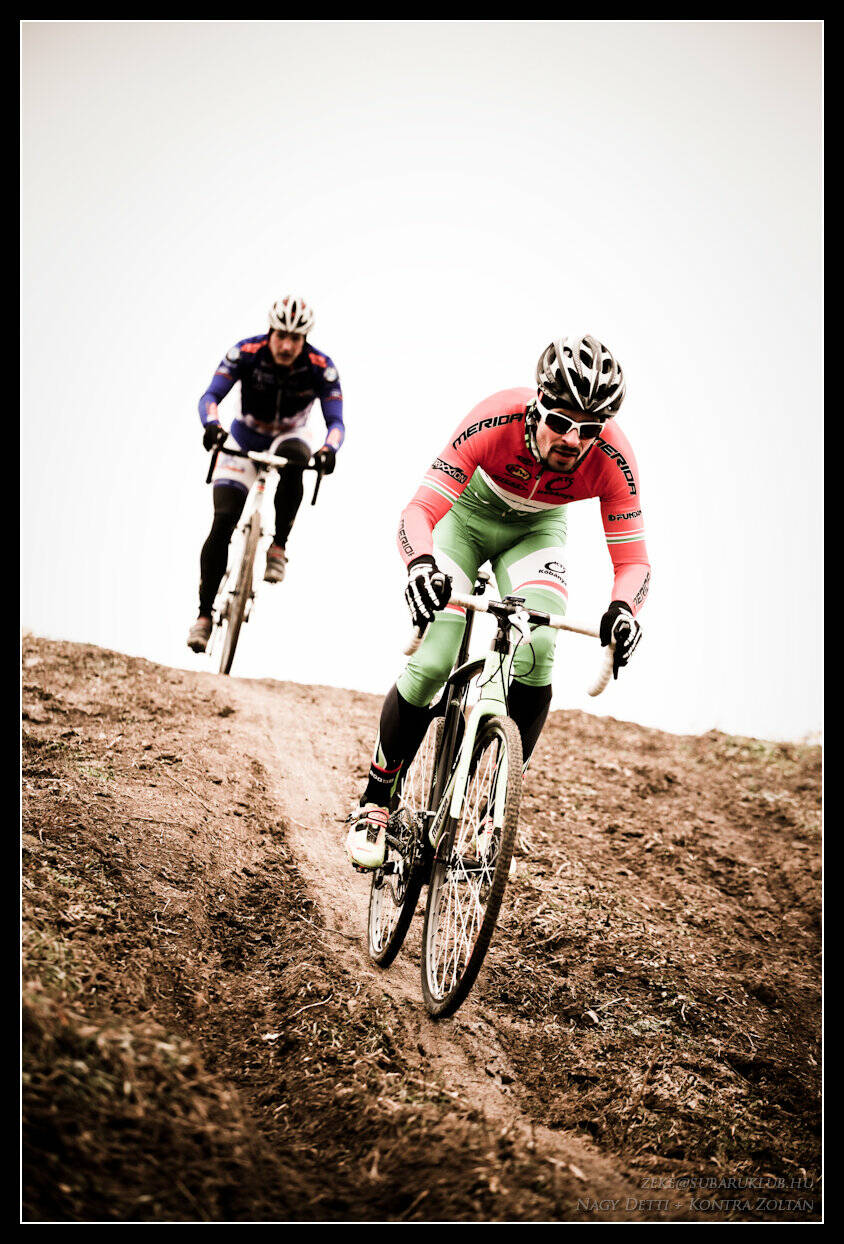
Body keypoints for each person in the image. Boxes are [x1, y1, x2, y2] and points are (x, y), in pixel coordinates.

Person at [346, 333, 649, 869]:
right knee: (435, 660)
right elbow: (418, 512)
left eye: (589, 429)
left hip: (536, 533)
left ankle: (496, 809)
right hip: (464, 521)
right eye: (560, 421)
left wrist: (624, 610)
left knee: (539, 651)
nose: (573, 439)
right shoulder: (494, 421)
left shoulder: (613, 458)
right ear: (537, 404)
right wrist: (421, 565)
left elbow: (634, 564)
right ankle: (376, 801)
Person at [187, 296, 344, 653]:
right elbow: (210, 396)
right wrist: (212, 425)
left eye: (296, 338)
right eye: (281, 336)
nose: (287, 346)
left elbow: (336, 422)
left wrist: (329, 449)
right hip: (245, 435)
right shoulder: (245, 352)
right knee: (222, 522)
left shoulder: (321, 367)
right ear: (270, 331)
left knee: (298, 457)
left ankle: (278, 546)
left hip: (289, 436)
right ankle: (203, 616)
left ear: (305, 339)